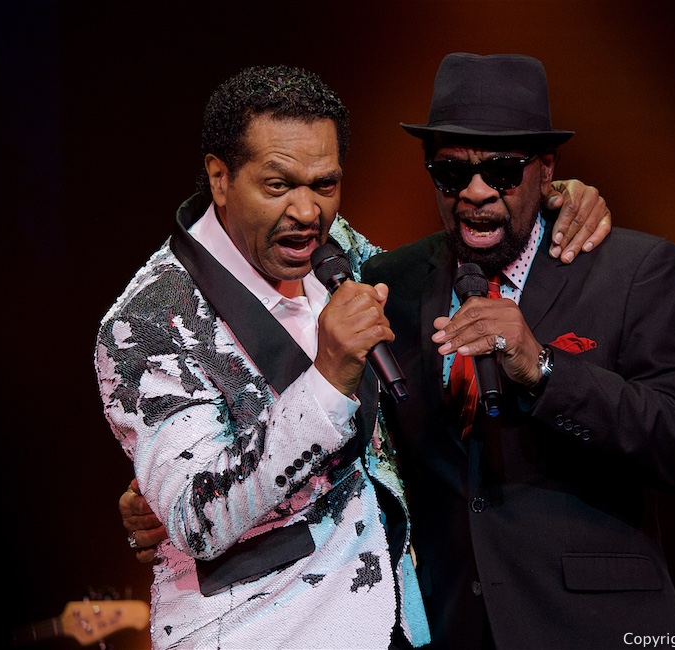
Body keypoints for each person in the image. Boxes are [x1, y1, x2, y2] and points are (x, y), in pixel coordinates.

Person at [99, 64, 610, 649]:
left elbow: (442, 269)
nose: (308, 211)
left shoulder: (337, 251)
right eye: (278, 185)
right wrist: (329, 378)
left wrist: (550, 198)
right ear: (220, 178)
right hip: (263, 632)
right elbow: (196, 518)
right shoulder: (145, 324)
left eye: (324, 184)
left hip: (398, 615)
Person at [360, 53, 675, 649]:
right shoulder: (393, 281)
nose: (475, 192)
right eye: (450, 173)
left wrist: (544, 370)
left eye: (501, 170)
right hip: (458, 629)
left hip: (599, 629)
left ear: (546, 171)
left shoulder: (632, 271)